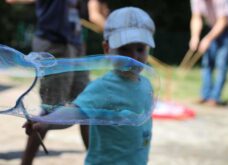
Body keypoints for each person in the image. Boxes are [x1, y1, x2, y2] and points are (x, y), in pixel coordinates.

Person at [24, 7, 156, 164]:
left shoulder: (146, 84)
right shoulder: (103, 87)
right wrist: (47, 122)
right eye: (124, 49)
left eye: (140, 49)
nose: (133, 57)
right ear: (107, 49)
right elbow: (74, 112)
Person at [5, 0, 108, 165]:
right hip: (54, 46)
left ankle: (96, 161)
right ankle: (25, 163)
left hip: (75, 45)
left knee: (86, 105)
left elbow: (94, 12)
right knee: (50, 109)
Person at [189, 0, 228, 106]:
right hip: (213, 27)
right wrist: (195, 36)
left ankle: (215, 97)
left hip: (227, 30)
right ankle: (205, 95)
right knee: (207, 63)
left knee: (221, 64)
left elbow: (222, 21)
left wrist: (208, 39)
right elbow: (196, 17)